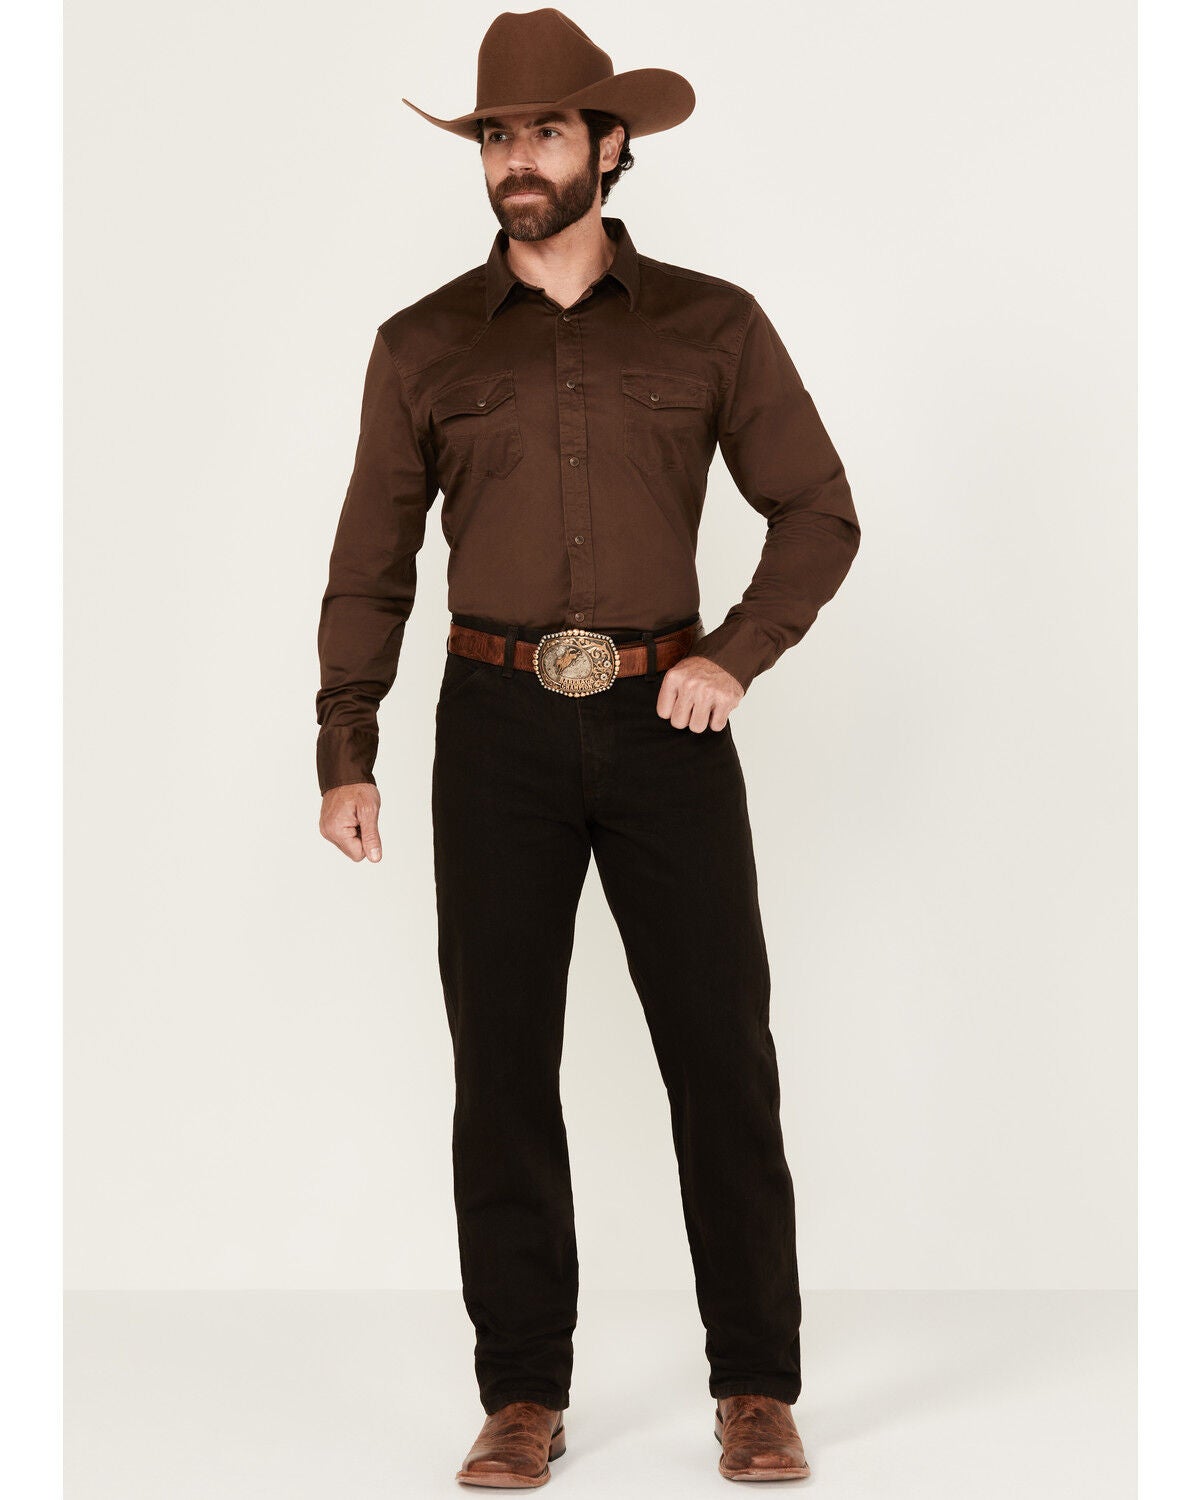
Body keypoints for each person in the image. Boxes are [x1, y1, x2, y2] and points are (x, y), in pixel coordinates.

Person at [315, 9, 860, 1487]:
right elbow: (370, 560)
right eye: (497, 136)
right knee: (501, 1068)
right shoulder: (421, 345)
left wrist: (733, 657)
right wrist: (348, 741)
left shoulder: (713, 324)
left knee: (721, 1059)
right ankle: (521, 1395)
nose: (518, 161)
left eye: (547, 132)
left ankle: (756, 1386)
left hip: (664, 718)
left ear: (610, 147)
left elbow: (818, 510)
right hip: (490, 727)